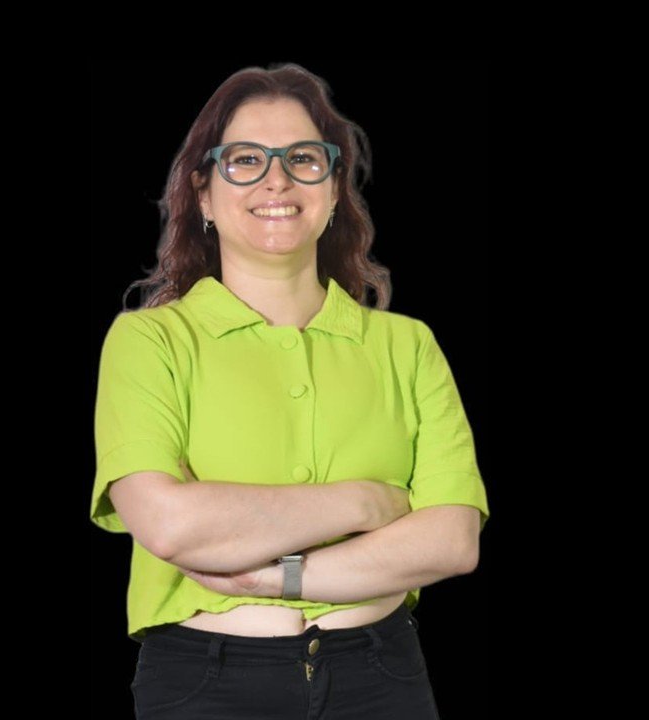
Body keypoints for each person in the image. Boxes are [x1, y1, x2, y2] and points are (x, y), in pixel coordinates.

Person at [90, 62, 490, 719]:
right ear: (204, 193)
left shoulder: (407, 345)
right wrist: (370, 502)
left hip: (382, 677)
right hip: (206, 685)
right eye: (245, 159)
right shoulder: (149, 341)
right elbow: (168, 523)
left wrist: (276, 575)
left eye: (303, 158)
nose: (276, 179)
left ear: (333, 190)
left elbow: (452, 541)